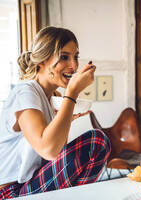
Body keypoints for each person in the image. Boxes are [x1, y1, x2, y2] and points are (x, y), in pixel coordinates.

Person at [0, 27, 111, 199]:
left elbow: (57, 151)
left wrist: (65, 116)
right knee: (96, 141)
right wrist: (72, 94)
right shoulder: (26, 92)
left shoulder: (53, 96)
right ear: (42, 60)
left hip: (30, 183)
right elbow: (48, 150)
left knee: (98, 144)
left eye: (75, 57)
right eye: (64, 57)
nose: (73, 66)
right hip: (10, 192)